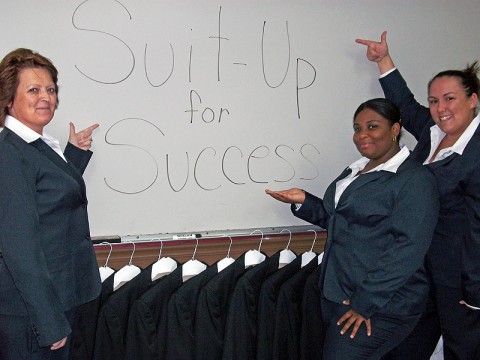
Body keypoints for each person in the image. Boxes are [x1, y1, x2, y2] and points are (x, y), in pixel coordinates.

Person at [266, 98, 440, 360]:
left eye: (372, 126)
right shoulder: (356, 169)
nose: (362, 135)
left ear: (395, 129)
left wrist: (365, 303)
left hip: (380, 305)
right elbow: (344, 222)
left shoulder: (414, 179)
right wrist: (305, 201)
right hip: (340, 293)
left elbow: (407, 249)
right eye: (357, 128)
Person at [355, 31, 480, 360]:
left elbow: (478, 229)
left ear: (473, 99)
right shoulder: (433, 131)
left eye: (449, 98)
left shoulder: (477, 152)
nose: (440, 108)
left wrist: (475, 290)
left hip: (459, 278)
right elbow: (406, 105)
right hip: (420, 269)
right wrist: (383, 60)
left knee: (462, 349)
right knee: (407, 344)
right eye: (435, 100)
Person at [0, 48, 101, 360]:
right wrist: (48, 320)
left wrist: (74, 155)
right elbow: (20, 249)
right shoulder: (10, 154)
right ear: (8, 99)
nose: (45, 97)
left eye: (51, 89)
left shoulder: (34, 147)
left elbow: (47, 198)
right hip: (34, 313)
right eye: (33, 90)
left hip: (56, 298)